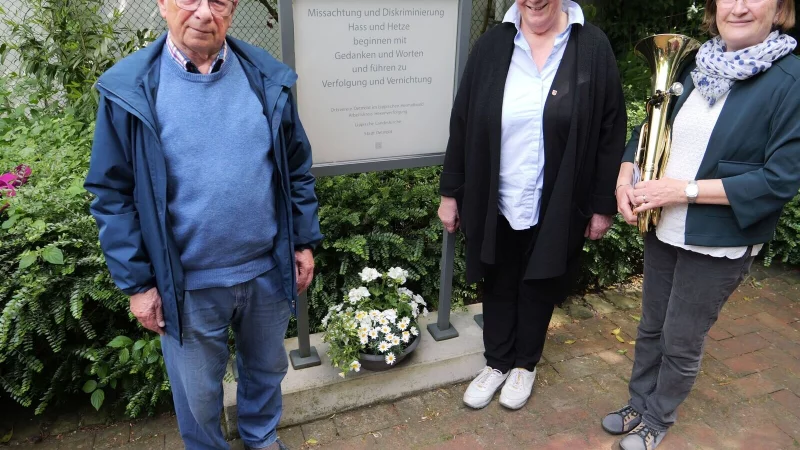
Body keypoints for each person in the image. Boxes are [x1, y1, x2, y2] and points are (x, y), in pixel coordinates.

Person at [84, 0, 322, 447]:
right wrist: (138, 285)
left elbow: (295, 169)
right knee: (197, 394)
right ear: (161, 4)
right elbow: (112, 196)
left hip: (266, 271)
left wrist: (303, 240)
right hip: (186, 285)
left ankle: (261, 437)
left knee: (267, 370)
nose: (203, 13)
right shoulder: (131, 90)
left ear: (232, 9)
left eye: (218, 1)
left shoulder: (265, 77)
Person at [604, 0, 799, 448]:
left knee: (680, 338)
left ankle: (657, 417)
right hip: (663, 225)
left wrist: (683, 190)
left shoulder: (791, 82)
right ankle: (638, 400)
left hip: (718, 240)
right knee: (651, 326)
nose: (740, 6)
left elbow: (780, 179)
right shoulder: (695, 65)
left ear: (780, 8)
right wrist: (624, 177)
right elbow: (649, 128)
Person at [438, 0, 626, 411]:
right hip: (498, 196)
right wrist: (451, 192)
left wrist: (601, 203)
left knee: (539, 281)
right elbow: (463, 120)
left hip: (558, 197)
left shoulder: (592, 46)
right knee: (498, 278)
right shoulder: (493, 45)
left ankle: (525, 365)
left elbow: (611, 130)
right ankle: (497, 362)